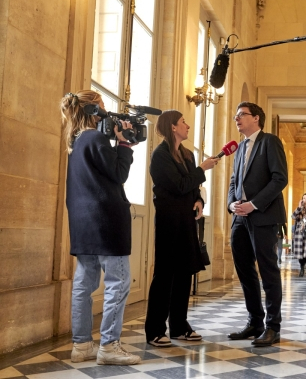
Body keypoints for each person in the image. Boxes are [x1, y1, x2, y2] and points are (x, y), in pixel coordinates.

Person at [61, 90, 141, 365]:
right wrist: (124, 144)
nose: (107, 112)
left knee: (84, 282)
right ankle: (109, 345)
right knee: (117, 283)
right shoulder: (95, 138)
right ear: (94, 110)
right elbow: (118, 174)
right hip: (105, 220)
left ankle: (82, 345)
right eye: (103, 106)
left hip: (82, 222)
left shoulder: (76, 140)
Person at [145, 110, 219, 347]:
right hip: (169, 220)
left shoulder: (187, 155)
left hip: (186, 220)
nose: (187, 126)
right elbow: (178, 186)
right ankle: (155, 329)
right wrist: (203, 169)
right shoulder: (160, 155)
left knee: (184, 272)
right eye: (183, 122)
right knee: (165, 274)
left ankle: (179, 326)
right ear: (173, 127)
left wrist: (199, 200)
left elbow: (192, 188)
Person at [227, 101, 288, 347]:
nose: (237, 119)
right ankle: (255, 322)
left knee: (268, 270)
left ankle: (274, 327)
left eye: (242, 115)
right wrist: (232, 204)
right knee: (244, 270)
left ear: (256, 118)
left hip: (263, 216)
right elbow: (234, 181)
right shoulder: (240, 148)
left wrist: (253, 204)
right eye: (236, 115)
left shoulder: (269, 142)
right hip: (239, 217)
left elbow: (279, 178)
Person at [291, 194, 306, 278]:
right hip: (299, 233)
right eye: (303, 198)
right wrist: (299, 207)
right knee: (300, 253)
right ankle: (302, 268)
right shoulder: (299, 209)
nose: (305, 199)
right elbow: (293, 216)